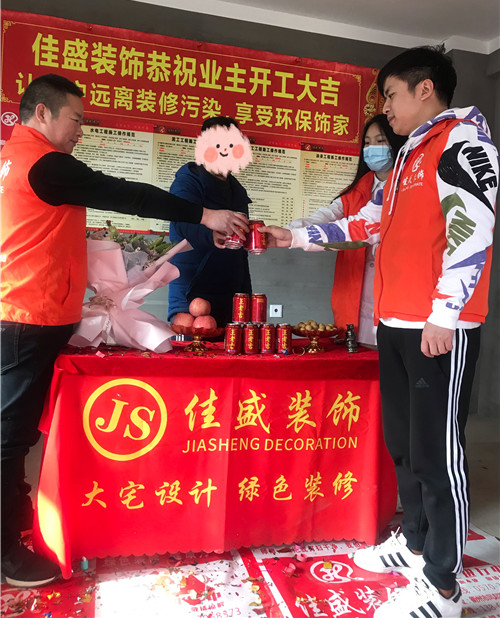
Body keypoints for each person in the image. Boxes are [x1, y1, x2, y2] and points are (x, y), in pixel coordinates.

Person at [260, 45, 498, 618]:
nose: (385, 109)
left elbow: (474, 228)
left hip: (435, 328)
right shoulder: (408, 156)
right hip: (395, 324)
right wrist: (291, 236)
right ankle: (414, 544)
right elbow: (366, 224)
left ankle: (443, 584)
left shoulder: (462, 142)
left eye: (391, 94)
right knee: (404, 446)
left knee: (438, 455)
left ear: (424, 89)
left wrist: (445, 313)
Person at [0, 74, 249, 588]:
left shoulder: (13, 158)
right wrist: (205, 214)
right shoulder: (44, 162)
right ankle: (4, 553)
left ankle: (16, 522)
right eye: (76, 120)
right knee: (8, 437)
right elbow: (123, 193)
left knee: (15, 433)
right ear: (43, 113)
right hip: (27, 315)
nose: (80, 131)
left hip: (25, 309)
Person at [287, 114, 407, 345]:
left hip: (397, 291)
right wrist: (288, 231)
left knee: (389, 353)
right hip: (355, 288)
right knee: (355, 352)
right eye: (367, 143)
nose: (372, 148)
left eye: (380, 141)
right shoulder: (357, 190)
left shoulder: (408, 185)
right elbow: (325, 216)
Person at [168, 116, 253, 332]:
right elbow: (181, 221)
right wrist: (210, 235)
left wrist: (246, 293)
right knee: (193, 349)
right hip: (193, 287)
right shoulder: (188, 180)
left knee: (233, 350)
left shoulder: (238, 191)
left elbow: (240, 250)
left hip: (231, 290)